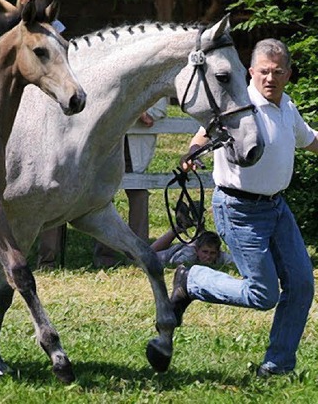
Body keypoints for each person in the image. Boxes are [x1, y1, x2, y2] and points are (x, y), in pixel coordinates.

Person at [172, 38, 318, 377]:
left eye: (278, 72)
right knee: (262, 294)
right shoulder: (239, 103)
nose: (270, 78)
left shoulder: (287, 107)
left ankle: (277, 366)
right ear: (251, 72)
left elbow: (310, 141)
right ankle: (192, 280)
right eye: (264, 71)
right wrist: (191, 153)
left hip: (277, 209)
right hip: (239, 209)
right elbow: (202, 135)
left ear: (288, 74)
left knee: (301, 285)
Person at [36, 98, 168, 269]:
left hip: (132, 147)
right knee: (92, 196)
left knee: (138, 193)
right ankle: (96, 258)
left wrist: (129, 107)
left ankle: (139, 257)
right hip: (94, 143)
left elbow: (154, 114)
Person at [153, 229, 232, 268]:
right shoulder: (189, 255)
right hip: (167, 255)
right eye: (205, 252)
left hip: (187, 247)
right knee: (147, 253)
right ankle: (177, 228)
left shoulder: (220, 256)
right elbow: (179, 266)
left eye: (212, 253)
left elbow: (235, 261)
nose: (208, 257)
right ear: (197, 250)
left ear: (218, 252)